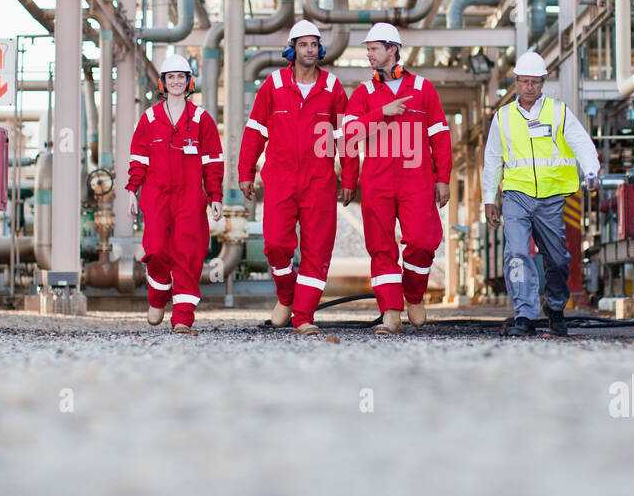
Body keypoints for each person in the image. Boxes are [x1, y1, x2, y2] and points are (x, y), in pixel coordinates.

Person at [238, 20, 348, 336]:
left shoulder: (332, 87)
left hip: (320, 181)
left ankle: (302, 316)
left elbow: (345, 137)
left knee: (317, 249)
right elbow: (255, 130)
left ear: (320, 49)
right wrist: (245, 171)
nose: (310, 49)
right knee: (274, 244)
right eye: (304, 44)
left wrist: (350, 178)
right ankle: (287, 296)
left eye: (314, 44)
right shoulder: (272, 85)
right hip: (280, 179)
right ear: (293, 49)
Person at [340, 22, 452, 334]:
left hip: (417, 179)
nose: (368, 55)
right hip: (377, 179)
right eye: (367, 49)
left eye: (374, 49)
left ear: (393, 50)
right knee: (381, 247)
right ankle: (391, 312)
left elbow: (440, 136)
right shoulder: (363, 93)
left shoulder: (422, 89)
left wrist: (443, 177)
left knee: (422, 240)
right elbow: (348, 134)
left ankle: (414, 294)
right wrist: (381, 112)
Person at [482, 51, 601, 337]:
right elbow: (493, 158)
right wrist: (489, 199)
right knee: (517, 254)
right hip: (516, 195)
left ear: (544, 82)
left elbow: (581, 142)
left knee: (558, 259)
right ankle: (524, 314)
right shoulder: (504, 117)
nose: (529, 87)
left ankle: (556, 309)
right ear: (515, 82)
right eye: (524, 82)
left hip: (550, 197)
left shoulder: (558, 111)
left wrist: (591, 170)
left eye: (535, 82)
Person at [125, 54, 224, 333]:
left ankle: (182, 317)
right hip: (156, 195)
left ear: (189, 81)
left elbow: (213, 161)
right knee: (156, 249)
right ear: (163, 83)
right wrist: (132, 189)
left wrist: (215, 196)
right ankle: (158, 293)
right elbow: (138, 158)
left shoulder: (202, 119)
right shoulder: (150, 118)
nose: (177, 82)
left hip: (190, 197)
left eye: (181, 77)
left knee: (188, 255)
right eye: (171, 77)